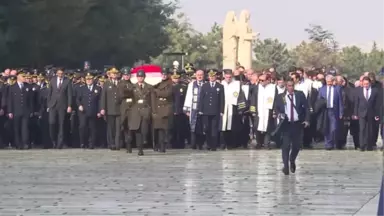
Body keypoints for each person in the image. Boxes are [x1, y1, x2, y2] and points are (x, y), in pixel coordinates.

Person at [274, 79, 310, 175]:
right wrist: (278, 114)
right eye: (289, 86)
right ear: (286, 86)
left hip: (297, 123)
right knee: (285, 145)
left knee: (296, 145)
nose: (291, 88)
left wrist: (307, 120)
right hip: (286, 124)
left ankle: (292, 159)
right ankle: (285, 166)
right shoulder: (280, 97)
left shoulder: (300, 95)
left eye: (292, 85)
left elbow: (306, 108)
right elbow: (276, 108)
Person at [129, 70, 154, 156]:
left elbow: (152, 100)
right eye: (139, 77)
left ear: (144, 77)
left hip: (145, 110)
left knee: (144, 128)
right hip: (136, 111)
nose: (140, 78)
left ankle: (144, 141)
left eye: (142, 76)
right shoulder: (133, 87)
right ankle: (140, 148)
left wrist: (152, 110)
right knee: (137, 130)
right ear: (137, 77)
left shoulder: (149, 87)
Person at [198, 70, 224, 151]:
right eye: (210, 76)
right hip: (206, 111)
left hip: (215, 111)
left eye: (213, 76)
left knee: (214, 128)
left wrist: (221, 111)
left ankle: (213, 145)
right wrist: (200, 109)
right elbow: (201, 99)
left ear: (216, 77)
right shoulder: (204, 86)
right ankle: (208, 143)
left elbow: (222, 99)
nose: (212, 78)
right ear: (208, 77)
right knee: (207, 128)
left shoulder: (220, 86)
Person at [47, 68, 72, 149]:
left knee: (61, 124)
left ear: (63, 74)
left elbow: (69, 95)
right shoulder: (52, 80)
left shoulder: (67, 81)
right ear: (56, 73)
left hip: (62, 105)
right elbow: (49, 93)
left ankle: (59, 144)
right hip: (53, 105)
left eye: (62, 73)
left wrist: (69, 105)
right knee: (52, 122)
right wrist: (48, 105)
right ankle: (53, 140)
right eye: (59, 73)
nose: (60, 75)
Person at [7, 71, 33, 149]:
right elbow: (10, 100)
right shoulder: (12, 87)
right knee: (17, 128)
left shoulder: (27, 86)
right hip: (16, 110)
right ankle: (18, 144)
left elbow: (30, 100)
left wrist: (31, 110)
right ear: (18, 77)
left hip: (25, 110)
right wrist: (10, 111)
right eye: (23, 76)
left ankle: (25, 143)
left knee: (25, 128)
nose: (24, 78)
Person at [318, 75, 343, 150]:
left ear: (333, 81)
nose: (329, 83)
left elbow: (340, 101)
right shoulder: (322, 89)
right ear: (326, 81)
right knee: (326, 127)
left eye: (330, 82)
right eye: (328, 82)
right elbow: (319, 100)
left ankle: (332, 142)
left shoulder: (337, 89)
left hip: (334, 111)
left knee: (334, 128)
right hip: (325, 111)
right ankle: (328, 144)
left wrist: (341, 112)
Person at [354, 76, 380, 151]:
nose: (366, 85)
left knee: (370, 129)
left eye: (367, 84)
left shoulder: (375, 91)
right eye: (364, 84)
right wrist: (355, 114)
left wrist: (376, 114)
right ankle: (362, 145)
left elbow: (376, 104)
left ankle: (369, 145)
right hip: (361, 113)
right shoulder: (359, 90)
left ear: (370, 83)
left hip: (371, 113)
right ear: (362, 83)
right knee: (362, 129)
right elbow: (356, 103)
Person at [183, 70, 206, 150]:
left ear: (203, 76)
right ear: (195, 75)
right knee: (193, 126)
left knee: (202, 127)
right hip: (194, 109)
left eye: (201, 75)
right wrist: (187, 109)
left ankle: (200, 144)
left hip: (203, 109)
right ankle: (193, 144)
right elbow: (189, 96)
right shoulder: (191, 84)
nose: (199, 76)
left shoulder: (206, 84)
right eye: (198, 75)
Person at [100, 68, 121, 150]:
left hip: (118, 109)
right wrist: (102, 108)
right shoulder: (106, 83)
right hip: (110, 109)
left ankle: (117, 143)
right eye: (113, 73)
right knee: (111, 128)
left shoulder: (120, 83)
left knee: (118, 128)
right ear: (110, 75)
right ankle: (111, 143)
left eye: (116, 73)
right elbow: (103, 97)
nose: (114, 75)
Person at [152, 69, 173, 152]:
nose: (164, 76)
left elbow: (167, 94)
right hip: (158, 109)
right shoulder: (158, 84)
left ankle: (163, 146)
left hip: (165, 109)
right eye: (162, 74)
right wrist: (154, 110)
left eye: (165, 74)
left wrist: (157, 91)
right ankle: (157, 145)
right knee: (157, 129)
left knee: (164, 129)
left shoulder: (169, 84)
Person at [220, 69, 241, 149]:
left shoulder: (236, 83)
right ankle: (223, 143)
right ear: (224, 76)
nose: (228, 78)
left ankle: (231, 144)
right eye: (227, 77)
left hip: (233, 106)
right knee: (223, 125)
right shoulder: (221, 83)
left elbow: (238, 95)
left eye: (230, 77)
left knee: (232, 126)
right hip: (223, 106)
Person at [118, 67, 135, 153]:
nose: (127, 76)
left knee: (130, 127)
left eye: (128, 75)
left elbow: (134, 93)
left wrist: (129, 91)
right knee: (124, 126)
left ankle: (129, 145)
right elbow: (122, 94)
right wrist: (129, 92)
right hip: (124, 107)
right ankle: (125, 144)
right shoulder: (120, 83)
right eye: (125, 75)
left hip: (131, 107)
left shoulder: (132, 84)